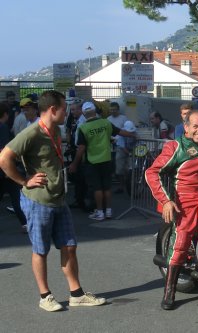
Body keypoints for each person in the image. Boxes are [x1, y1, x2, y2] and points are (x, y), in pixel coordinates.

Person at [0, 90, 106, 312]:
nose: (67, 112)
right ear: (53, 109)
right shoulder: (32, 132)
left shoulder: (55, 130)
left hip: (58, 199)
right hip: (38, 201)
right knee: (41, 250)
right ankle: (45, 296)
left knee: (70, 246)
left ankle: (76, 294)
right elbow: (4, 158)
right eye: (64, 109)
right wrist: (24, 180)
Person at [145, 109, 198, 310]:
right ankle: (170, 290)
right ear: (186, 127)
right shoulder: (175, 146)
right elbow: (152, 172)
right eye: (195, 126)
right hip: (186, 200)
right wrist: (166, 201)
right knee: (181, 240)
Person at [68, 102, 135, 221]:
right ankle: (108, 211)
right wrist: (133, 135)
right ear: (95, 111)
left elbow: (81, 148)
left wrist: (74, 163)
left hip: (92, 161)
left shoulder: (83, 128)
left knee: (97, 188)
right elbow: (120, 132)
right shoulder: (105, 122)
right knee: (107, 187)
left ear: (84, 113)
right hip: (106, 159)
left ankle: (99, 212)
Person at [0, 101, 27, 233]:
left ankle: (25, 223)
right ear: (5, 114)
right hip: (4, 168)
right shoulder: (3, 128)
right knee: (16, 198)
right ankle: (25, 223)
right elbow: (4, 150)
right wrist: (7, 168)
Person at [115, 120, 137, 194]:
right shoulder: (121, 134)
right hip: (122, 149)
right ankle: (121, 185)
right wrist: (129, 153)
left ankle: (131, 183)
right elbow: (123, 147)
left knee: (131, 168)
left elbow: (139, 143)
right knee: (119, 168)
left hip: (132, 149)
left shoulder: (135, 133)